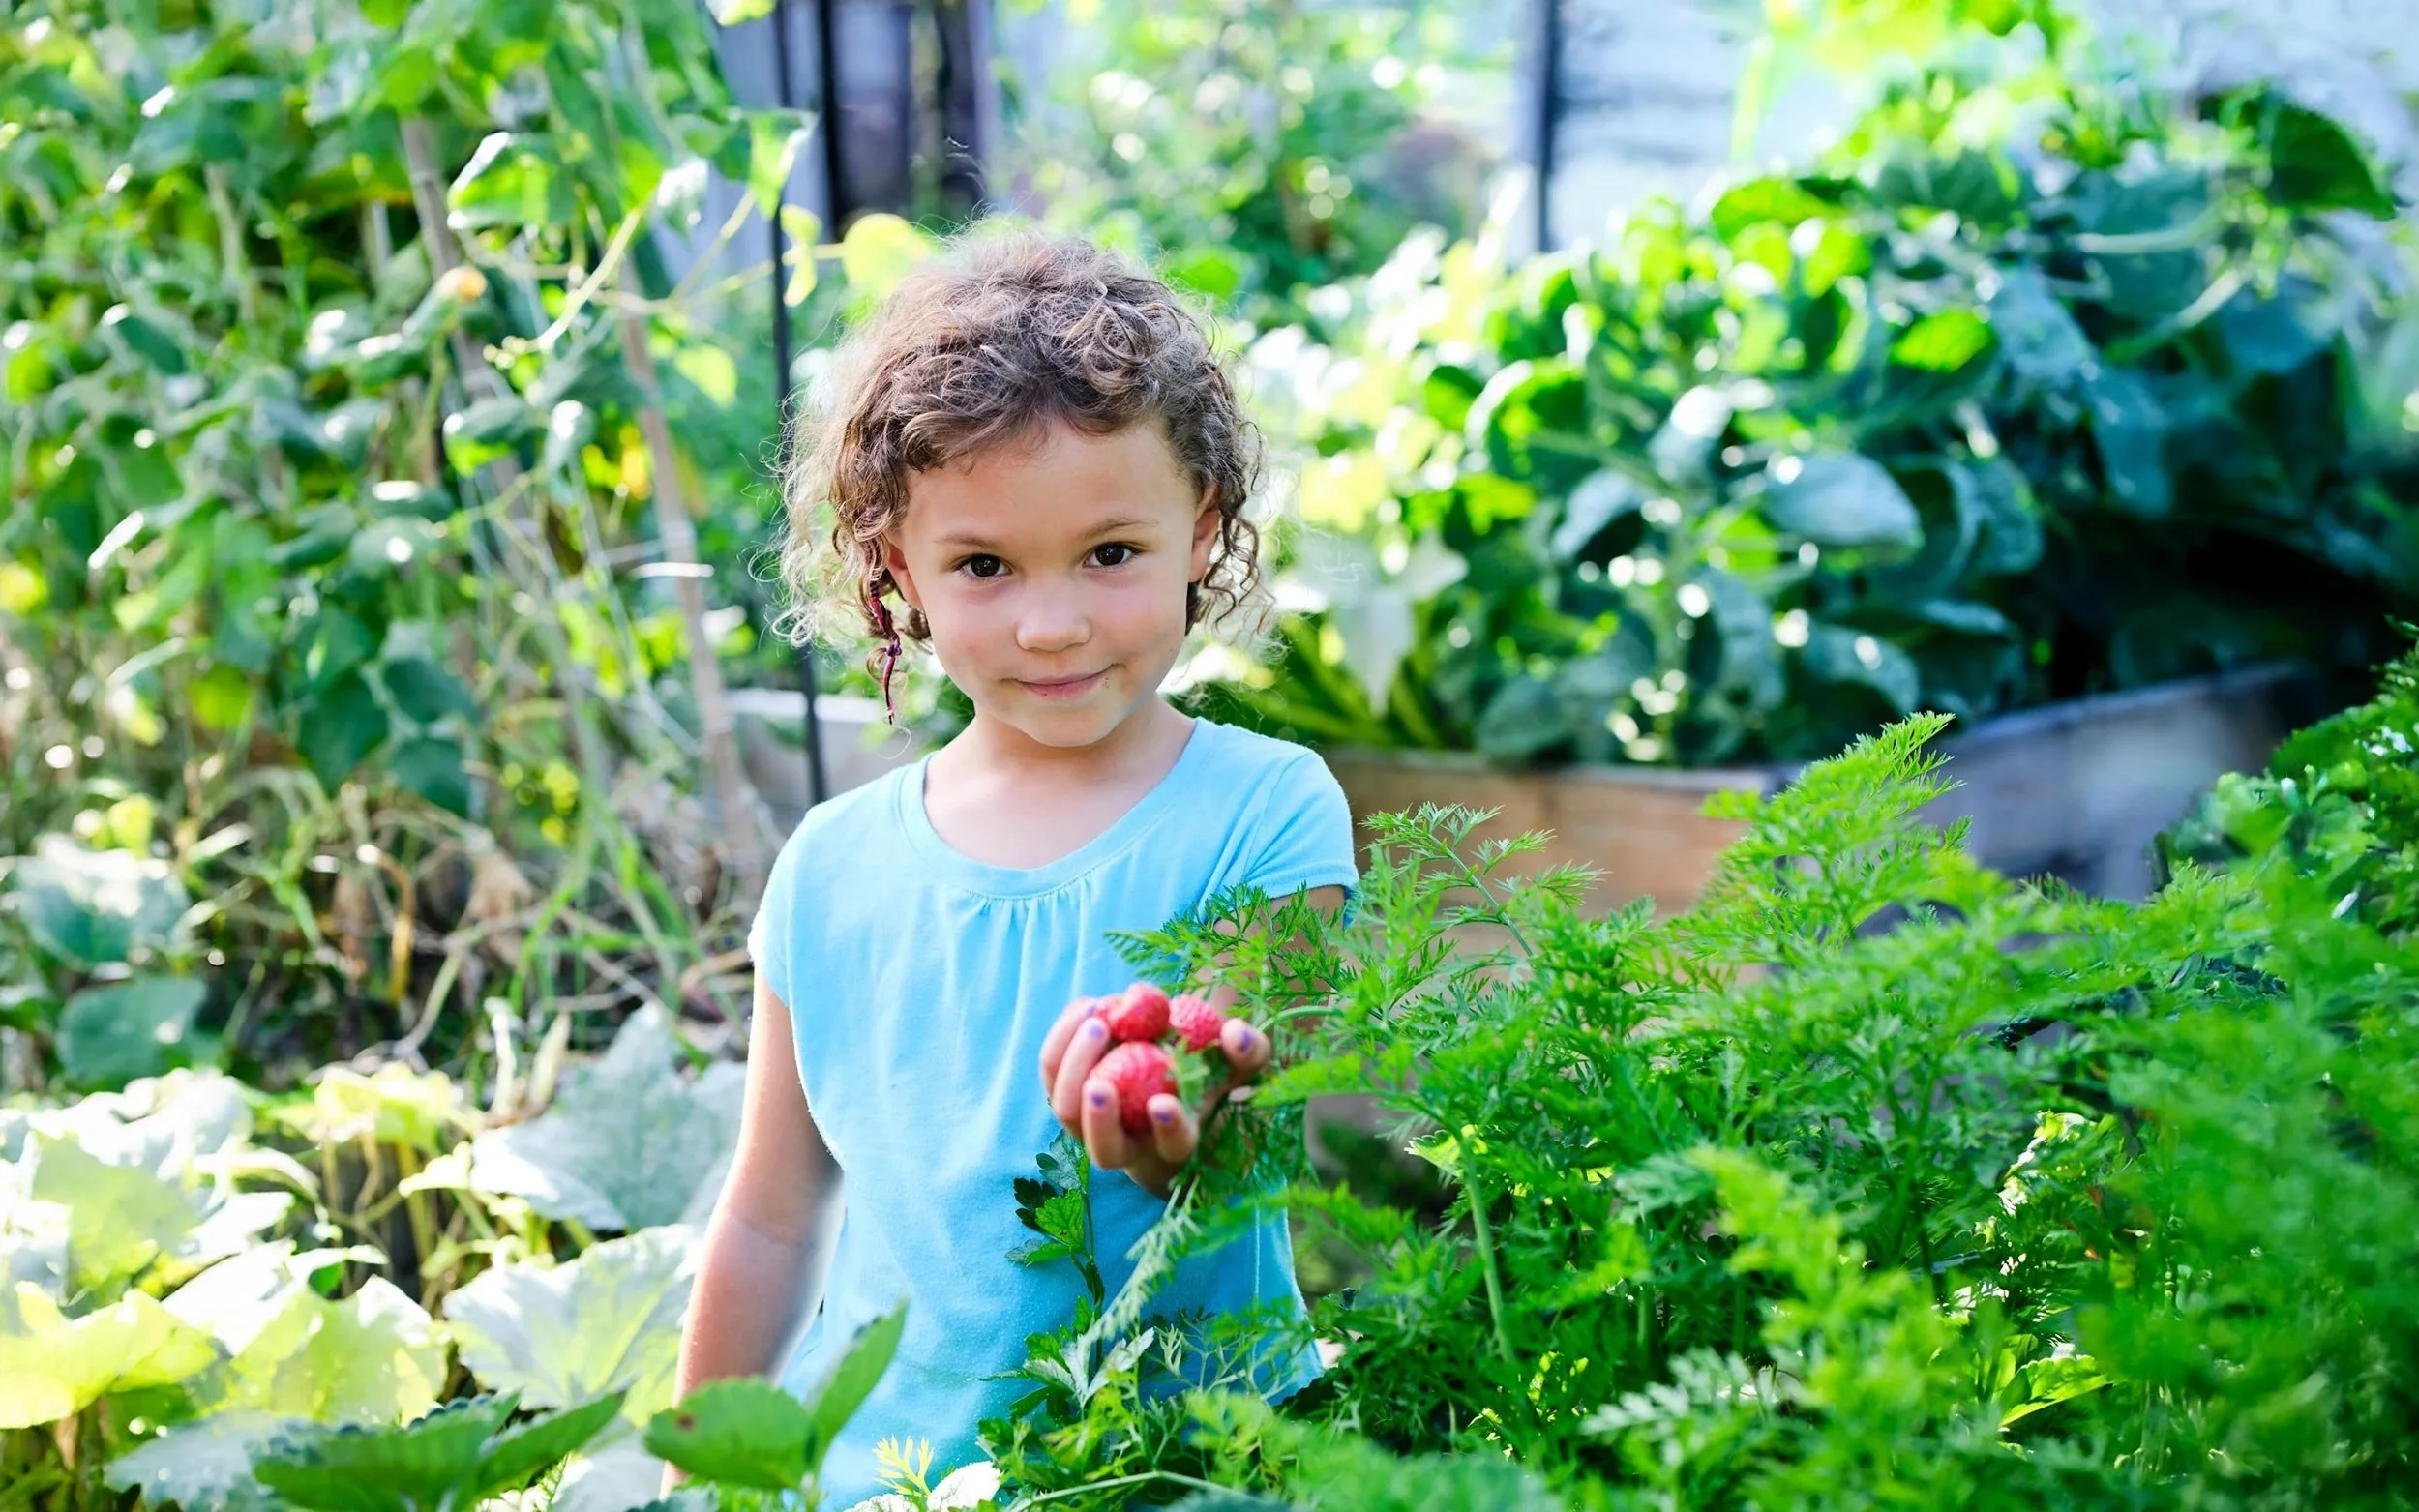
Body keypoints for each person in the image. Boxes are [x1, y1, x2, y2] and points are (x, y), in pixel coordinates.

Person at [665, 227, 1358, 1506]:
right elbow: (771, 1217)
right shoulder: (830, 869)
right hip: (890, 1479)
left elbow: (1243, 1117)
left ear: (1202, 530)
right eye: (984, 564)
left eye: (1111, 553)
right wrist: (699, 1478)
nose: (1053, 622)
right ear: (896, 571)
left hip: (1175, 1469)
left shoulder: (1265, 811)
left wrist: (1170, 1129)